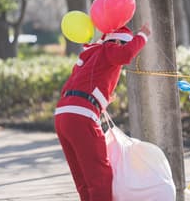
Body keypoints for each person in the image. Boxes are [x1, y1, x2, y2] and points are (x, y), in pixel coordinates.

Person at [54, 24, 150, 201]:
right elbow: (126, 54)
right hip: (81, 115)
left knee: (83, 178)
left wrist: (102, 100)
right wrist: (142, 36)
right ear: (118, 41)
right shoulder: (110, 47)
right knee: (100, 177)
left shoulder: (90, 53)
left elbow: (81, 84)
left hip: (62, 114)